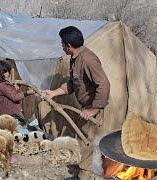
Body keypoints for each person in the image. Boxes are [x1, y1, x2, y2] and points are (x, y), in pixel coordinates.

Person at [43, 26, 110, 179]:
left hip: (92, 109)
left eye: (62, 44)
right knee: (82, 139)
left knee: (86, 140)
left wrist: (93, 109)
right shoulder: (76, 59)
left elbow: (104, 84)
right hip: (85, 108)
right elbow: (73, 84)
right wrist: (54, 93)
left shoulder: (88, 59)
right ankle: (83, 170)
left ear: (68, 45)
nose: (61, 47)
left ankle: (84, 176)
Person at [0, 60, 35, 126]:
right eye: (7, 72)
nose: (9, 74)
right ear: (2, 73)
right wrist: (27, 93)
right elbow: (15, 97)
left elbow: (6, 94)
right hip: (7, 114)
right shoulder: (2, 85)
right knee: (22, 127)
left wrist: (14, 88)